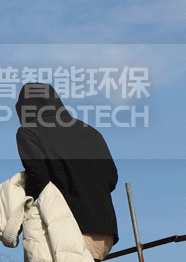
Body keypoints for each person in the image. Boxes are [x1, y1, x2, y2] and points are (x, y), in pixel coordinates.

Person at [16, 82, 119, 260]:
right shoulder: (91, 132)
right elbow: (111, 178)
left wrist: (19, 209)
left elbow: (38, 177)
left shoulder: (29, 132)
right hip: (105, 232)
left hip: (67, 227)